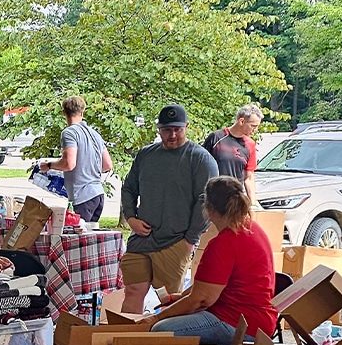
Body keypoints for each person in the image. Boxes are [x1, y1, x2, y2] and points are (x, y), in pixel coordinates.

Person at [139, 177, 278, 345]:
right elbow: (208, 286)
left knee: (160, 329)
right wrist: (181, 298)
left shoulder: (224, 243)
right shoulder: (251, 228)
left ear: (209, 209)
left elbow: (201, 300)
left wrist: (156, 318)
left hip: (238, 322)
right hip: (254, 320)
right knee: (170, 317)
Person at [119, 104, 219, 312]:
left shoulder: (200, 158)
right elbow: (129, 187)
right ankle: (126, 339)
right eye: (167, 130)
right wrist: (131, 218)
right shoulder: (146, 155)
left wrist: (190, 239)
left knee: (170, 300)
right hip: (141, 238)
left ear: (187, 127)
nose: (172, 134)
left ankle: (162, 341)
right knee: (133, 290)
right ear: (159, 129)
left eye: (178, 129)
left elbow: (206, 200)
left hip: (175, 240)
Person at [40, 95, 113, 223]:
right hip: (98, 194)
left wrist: (49, 165)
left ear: (64, 113)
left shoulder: (69, 133)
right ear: (82, 112)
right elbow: (107, 165)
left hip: (82, 196)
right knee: (90, 238)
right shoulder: (95, 134)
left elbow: (69, 164)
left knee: (77, 239)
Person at [201, 104, 263, 203]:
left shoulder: (250, 144)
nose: (255, 130)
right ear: (241, 121)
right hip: (212, 197)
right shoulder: (216, 138)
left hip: (234, 199)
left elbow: (249, 177)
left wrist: (253, 204)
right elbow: (201, 166)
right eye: (253, 126)